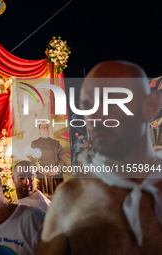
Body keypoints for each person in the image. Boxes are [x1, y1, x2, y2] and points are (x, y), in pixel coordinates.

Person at [35, 60, 162, 254]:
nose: (96, 117)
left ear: (150, 106)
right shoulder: (70, 199)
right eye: (87, 106)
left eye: (110, 102)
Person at [31, 123, 68, 195]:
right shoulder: (35, 144)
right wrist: (43, 170)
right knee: (43, 200)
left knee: (56, 199)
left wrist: (57, 169)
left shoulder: (56, 143)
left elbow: (62, 158)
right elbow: (33, 160)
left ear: (49, 129)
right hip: (42, 176)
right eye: (43, 127)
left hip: (56, 176)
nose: (45, 128)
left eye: (47, 127)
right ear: (39, 130)